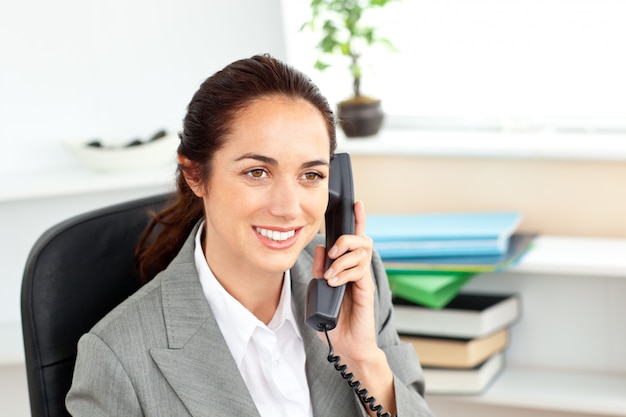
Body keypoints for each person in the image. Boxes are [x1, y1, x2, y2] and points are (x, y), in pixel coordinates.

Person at [66, 54, 433, 417]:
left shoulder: (356, 282)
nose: (289, 208)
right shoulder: (116, 359)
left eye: (311, 175)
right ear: (195, 174)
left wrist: (364, 360)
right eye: (257, 172)